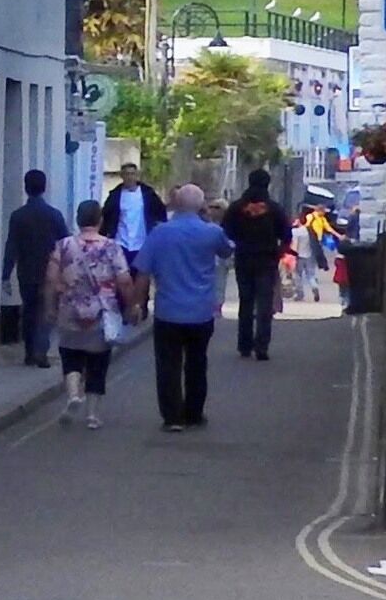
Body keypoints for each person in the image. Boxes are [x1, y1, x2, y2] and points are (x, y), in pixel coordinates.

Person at [137, 181, 237, 429]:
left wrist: (137, 304)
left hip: (168, 310)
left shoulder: (160, 233)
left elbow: (142, 272)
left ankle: (172, 417)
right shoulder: (211, 232)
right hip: (201, 310)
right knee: (197, 363)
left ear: (175, 204)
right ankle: (194, 412)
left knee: (168, 365)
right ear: (202, 206)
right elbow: (227, 252)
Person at [44, 203, 139, 428]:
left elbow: (50, 278)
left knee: (70, 355)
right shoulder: (112, 247)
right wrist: (131, 305)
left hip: (69, 309)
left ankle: (73, 395)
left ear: (77, 220)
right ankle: (92, 415)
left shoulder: (63, 245)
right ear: (100, 220)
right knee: (98, 362)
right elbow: (124, 280)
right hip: (102, 312)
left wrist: (50, 306)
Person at [223, 167, 294, 360]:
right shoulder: (274, 209)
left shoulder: (237, 208)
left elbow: (226, 231)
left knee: (245, 301)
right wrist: (279, 252)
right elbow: (287, 235)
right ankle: (261, 347)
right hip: (266, 260)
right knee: (264, 304)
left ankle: (244, 345)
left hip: (243, 258)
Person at [4, 170, 70, 367]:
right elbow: (64, 244)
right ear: (44, 187)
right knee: (46, 311)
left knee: (29, 311)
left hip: (26, 271)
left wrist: (5, 275)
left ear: (26, 188)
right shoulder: (54, 215)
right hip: (51, 271)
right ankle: (41, 350)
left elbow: (12, 246)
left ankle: (29, 352)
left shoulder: (18, 216)